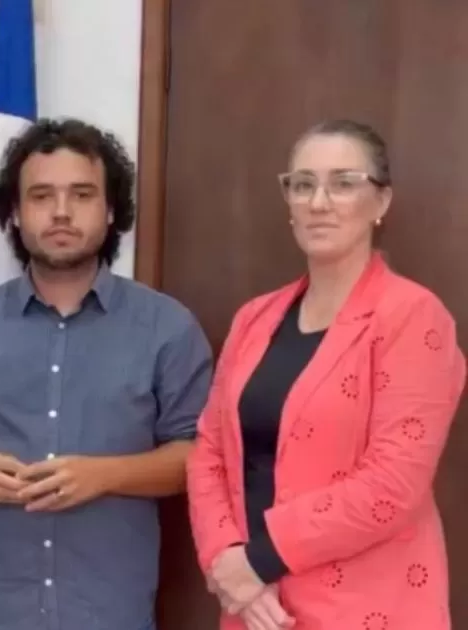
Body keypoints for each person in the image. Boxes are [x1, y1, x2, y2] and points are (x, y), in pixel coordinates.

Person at [0, 118, 214, 630]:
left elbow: (200, 456)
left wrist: (104, 476)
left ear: (111, 210)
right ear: (15, 212)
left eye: (82, 194)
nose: (61, 211)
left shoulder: (168, 327)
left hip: (110, 609)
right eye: (41, 196)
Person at [187, 119, 465, 630]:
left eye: (343, 183)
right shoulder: (254, 319)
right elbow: (209, 450)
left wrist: (259, 560)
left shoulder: (413, 316)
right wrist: (227, 559)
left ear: (381, 201)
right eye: (302, 184)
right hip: (254, 605)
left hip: (369, 606)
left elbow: (392, 484)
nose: (319, 202)